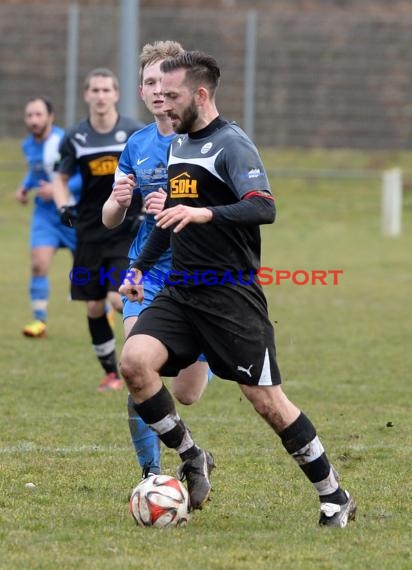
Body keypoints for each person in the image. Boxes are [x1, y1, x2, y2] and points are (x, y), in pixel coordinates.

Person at [119, 51, 357, 527]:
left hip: (230, 296)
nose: (162, 104)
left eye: (172, 95)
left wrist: (206, 213)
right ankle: (191, 456)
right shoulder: (178, 144)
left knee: (267, 400)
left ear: (201, 94)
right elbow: (172, 219)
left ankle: (334, 493)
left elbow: (263, 206)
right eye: (157, 94)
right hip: (181, 292)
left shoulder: (232, 144)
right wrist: (139, 269)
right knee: (134, 363)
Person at [102, 41, 211, 476]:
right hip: (145, 272)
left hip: (197, 272)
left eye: (164, 82)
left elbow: (222, 211)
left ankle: (203, 357)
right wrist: (118, 199)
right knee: (136, 368)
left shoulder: (203, 140)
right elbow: (110, 219)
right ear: (141, 90)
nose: (156, 90)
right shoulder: (137, 144)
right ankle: (153, 472)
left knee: (187, 394)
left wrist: (179, 204)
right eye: (148, 82)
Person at [53, 68, 145, 392]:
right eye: (96, 90)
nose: (101, 96)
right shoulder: (75, 137)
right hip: (89, 232)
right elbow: (60, 179)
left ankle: (146, 360)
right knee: (94, 306)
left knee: (118, 297)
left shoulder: (134, 133)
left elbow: (150, 173)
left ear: (117, 94)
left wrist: (146, 204)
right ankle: (110, 373)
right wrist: (64, 206)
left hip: (126, 230)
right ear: (87, 95)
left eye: (107, 90)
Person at [16, 96, 82, 338]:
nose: (33, 120)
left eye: (38, 115)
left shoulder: (65, 142)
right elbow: (36, 174)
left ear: (50, 117)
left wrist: (56, 189)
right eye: (29, 115)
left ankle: (104, 308)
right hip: (44, 215)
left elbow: (82, 177)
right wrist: (24, 188)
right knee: (38, 264)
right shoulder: (27, 145)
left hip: (72, 214)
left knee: (86, 274)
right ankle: (39, 321)